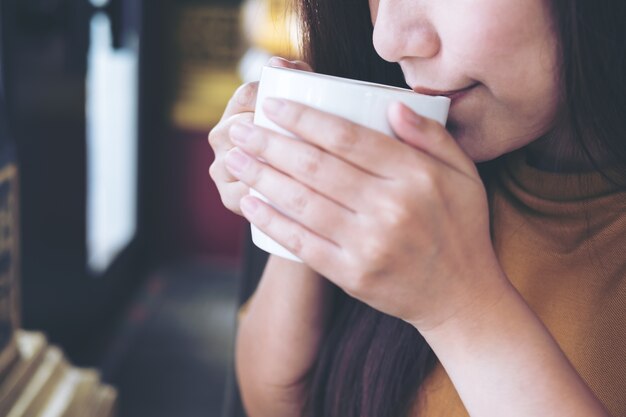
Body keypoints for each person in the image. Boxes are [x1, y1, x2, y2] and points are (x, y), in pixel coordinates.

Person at [208, 0, 626, 416]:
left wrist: (461, 309)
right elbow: (275, 401)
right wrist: (306, 181)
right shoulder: (421, 172)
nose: (386, 40)